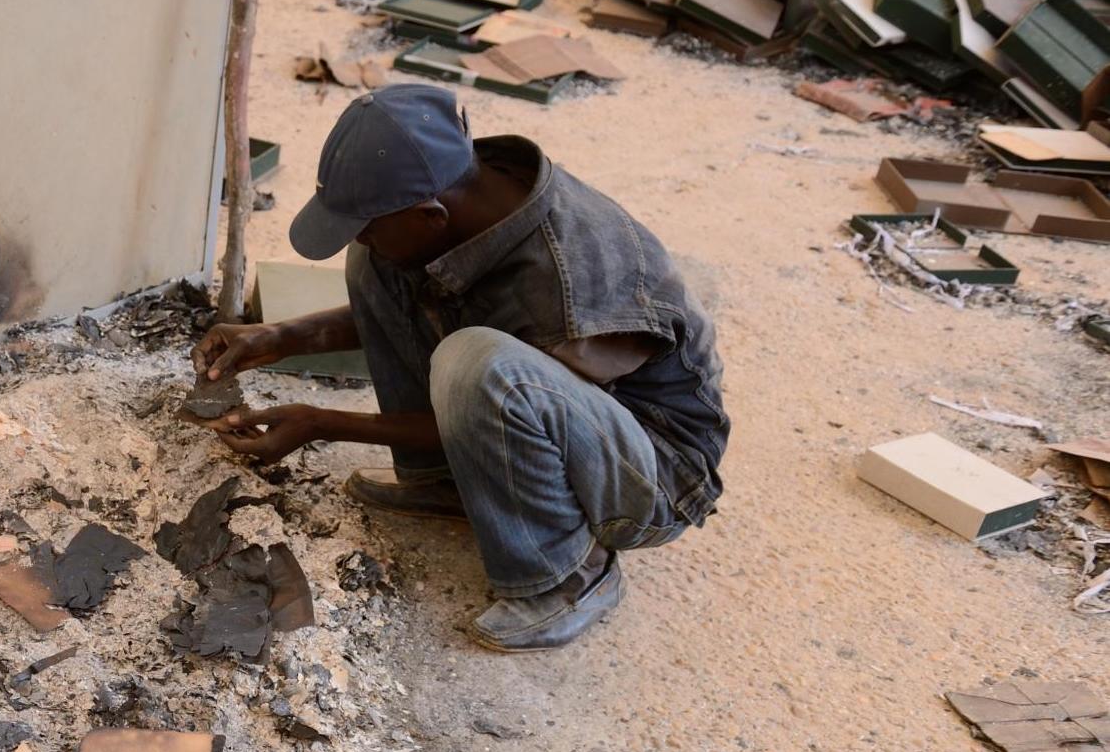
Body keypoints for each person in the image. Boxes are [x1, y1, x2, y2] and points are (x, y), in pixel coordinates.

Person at [192, 84, 728, 652]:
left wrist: (321, 421)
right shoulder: (465, 200)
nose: (364, 236)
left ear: (431, 215)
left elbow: (505, 402)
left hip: (655, 473)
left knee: (478, 363)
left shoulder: (572, 283)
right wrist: (280, 336)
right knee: (380, 263)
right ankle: (447, 482)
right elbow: (415, 301)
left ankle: (573, 575)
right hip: (562, 414)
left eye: (371, 222)